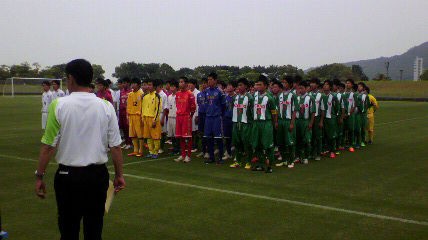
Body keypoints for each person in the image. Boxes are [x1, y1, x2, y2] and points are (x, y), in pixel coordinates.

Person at [35, 59, 125, 240]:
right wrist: (119, 175)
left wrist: (39, 176)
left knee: (68, 229)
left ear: (71, 78)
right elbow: (115, 146)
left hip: (68, 176)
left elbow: (48, 146)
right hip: (97, 176)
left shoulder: (59, 105)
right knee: (94, 228)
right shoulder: (105, 106)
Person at [251, 74, 278, 173]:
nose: (257, 86)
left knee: (268, 145)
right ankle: (260, 164)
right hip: (256, 123)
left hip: (266, 123)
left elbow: (274, 112)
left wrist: (275, 122)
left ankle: (270, 166)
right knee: (257, 144)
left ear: (266, 86)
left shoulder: (269, 98)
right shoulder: (254, 96)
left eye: (260, 84)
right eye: (257, 84)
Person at [229, 78, 254, 169]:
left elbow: (252, 112)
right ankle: (238, 161)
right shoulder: (235, 97)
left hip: (246, 123)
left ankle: (248, 162)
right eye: (238, 85)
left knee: (247, 144)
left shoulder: (250, 98)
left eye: (241, 85)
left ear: (246, 86)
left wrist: (251, 124)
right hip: (236, 123)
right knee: (237, 143)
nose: (239, 87)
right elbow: (232, 108)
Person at [275, 76, 298, 168]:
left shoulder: (293, 95)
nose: (284, 84)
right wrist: (276, 121)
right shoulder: (280, 95)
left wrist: (292, 123)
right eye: (283, 82)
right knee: (281, 142)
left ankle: (291, 160)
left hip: (288, 121)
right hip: (280, 121)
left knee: (290, 142)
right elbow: (276, 109)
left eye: (285, 82)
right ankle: (284, 160)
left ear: (290, 84)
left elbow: (294, 110)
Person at [203, 72, 226, 164]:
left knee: (218, 138)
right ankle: (211, 157)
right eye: (208, 79)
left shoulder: (220, 92)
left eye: (211, 79)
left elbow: (224, 105)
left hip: (217, 117)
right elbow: (206, 103)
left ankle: (220, 157)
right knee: (209, 138)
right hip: (208, 117)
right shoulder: (206, 91)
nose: (209, 81)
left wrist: (220, 114)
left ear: (215, 80)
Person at [174, 77, 196, 162]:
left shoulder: (190, 94)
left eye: (182, 82)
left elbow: (193, 107)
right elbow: (177, 105)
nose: (180, 84)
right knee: (181, 137)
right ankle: (183, 155)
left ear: (186, 84)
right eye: (179, 82)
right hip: (179, 117)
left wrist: (189, 116)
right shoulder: (178, 94)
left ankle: (188, 155)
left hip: (186, 117)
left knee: (188, 137)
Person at [295, 81, 315, 164]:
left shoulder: (310, 98)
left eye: (301, 88)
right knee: (298, 139)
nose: (300, 90)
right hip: (297, 121)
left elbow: (313, 112)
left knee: (306, 140)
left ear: (306, 89)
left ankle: (306, 157)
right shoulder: (297, 98)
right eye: (299, 88)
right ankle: (298, 156)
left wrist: (311, 123)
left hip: (305, 121)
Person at [142, 79, 162, 158]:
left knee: (155, 136)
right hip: (146, 118)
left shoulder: (157, 96)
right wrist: (143, 117)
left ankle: (155, 152)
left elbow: (158, 109)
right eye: (148, 85)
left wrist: (155, 119)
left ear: (154, 87)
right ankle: (150, 151)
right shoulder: (145, 96)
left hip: (153, 119)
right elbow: (143, 108)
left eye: (150, 85)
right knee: (148, 136)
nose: (148, 86)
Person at [320, 80, 339, 158]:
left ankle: (332, 151)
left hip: (331, 118)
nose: (325, 86)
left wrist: (333, 115)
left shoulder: (334, 96)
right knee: (324, 135)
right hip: (322, 118)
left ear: (330, 87)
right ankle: (326, 149)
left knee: (332, 135)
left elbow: (337, 107)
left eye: (327, 84)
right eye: (324, 84)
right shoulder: (321, 95)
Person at [127, 78, 144, 157]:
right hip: (131, 116)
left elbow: (143, 106)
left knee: (139, 134)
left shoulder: (141, 93)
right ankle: (135, 150)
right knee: (132, 134)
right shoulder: (130, 94)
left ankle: (141, 150)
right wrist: (128, 115)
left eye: (134, 83)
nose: (132, 85)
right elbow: (129, 105)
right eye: (132, 83)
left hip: (138, 116)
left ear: (138, 85)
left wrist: (141, 116)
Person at [309, 77, 323, 160]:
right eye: (311, 83)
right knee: (311, 137)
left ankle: (318, 153)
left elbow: (323, 109)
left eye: (313, 83)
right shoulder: (309, 94)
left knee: (318, 137)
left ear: (317, 85)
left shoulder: (321, 95)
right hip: (310, 118)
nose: (311, 84)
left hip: (317, 118)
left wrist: (321, 121)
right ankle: (312, 153)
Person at [222, 80, 237, 160]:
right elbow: (223, 108)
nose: (228, 87)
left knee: (235, 137)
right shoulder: (225, 97)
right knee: (227, 137)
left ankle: (237, 155)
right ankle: (228, 153)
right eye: (227, 86)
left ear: (234, 87)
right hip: (226, 119)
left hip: (234, 120)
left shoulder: (236, 97)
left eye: (229, 86)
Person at [166, 79, 180, 155]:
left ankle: (177, 149)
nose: (171, 88)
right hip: (170, 116)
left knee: (176, 135)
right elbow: (168, 107)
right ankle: (174, 148)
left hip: (176, 117)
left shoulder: (178, 95)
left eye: (173, 86)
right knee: (171, 134)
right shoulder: (169, 96)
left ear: (177, 88)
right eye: (171, 86)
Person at [342, 79, 357, 152]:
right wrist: (343, 114)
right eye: (346, 83)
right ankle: (343, 144)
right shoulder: (343, 94)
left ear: (352, 85)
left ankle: (351, 145)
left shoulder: (353, 94)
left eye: (349, 83)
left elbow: (354, 106)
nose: (347, 84)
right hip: (343, 115)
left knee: (351, 130)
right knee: (343, 130)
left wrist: (348, 114)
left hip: (350, 115)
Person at [196, 78, 208, 158]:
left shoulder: (209, 93)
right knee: (201, 133)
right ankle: (203, 151)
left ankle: (208, 151)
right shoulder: (199, 94)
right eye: (202, 83)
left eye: (205, 83)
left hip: (207, 115)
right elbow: (198, 105)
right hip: (201, 115)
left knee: (207, 134)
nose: (203, 85)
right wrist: (197, 115)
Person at [118, 77, 132, 149]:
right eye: (123, 83)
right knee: (123, 128)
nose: (123, 84)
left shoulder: (131, 91)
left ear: (128, 83)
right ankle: (126, 142)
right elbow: (121, 102)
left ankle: (130, 143)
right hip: (122, 112)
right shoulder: (121, 91)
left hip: (128, 112)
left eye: (125, 83)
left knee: (128, 128)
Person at [188, 78, 200, 152]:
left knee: (195, 130)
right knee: (190, 130)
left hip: (195, 113)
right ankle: (190, 145)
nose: (189, 85)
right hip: (188, 113)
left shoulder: (198, 93)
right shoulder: (188, 92)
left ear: (194, 84)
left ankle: (195, 146)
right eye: (188, 83)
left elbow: (198, 105)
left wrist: (197, 115)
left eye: (191, 83)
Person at [157, 80, 168, 154]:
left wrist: (163, 118)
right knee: (156, 132)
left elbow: (165, 107)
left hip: (161, 114)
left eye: (157, 86)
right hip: (155, 114)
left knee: (162, 132)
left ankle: (161, 147)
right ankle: (156, 146)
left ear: (160, 87)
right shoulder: (154, 94)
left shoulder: (163, 95)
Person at [356, 82, 369, 147]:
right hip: (357, 114)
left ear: (363, 88)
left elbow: (367, 104)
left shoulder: (365, 96)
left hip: (363, 114)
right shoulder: (355, 94)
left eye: (360, 86)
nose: (359, 87)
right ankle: (357, 142)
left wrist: (364, 110)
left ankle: (363, 141)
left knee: (363, 128)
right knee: (358, 128)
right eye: (358, 86)